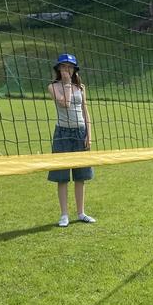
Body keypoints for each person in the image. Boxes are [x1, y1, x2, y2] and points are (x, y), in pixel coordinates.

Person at [47, 53, 96, 227]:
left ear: (75, 69)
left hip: (80, 133)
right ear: (58, 69)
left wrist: (89, 135)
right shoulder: (53, 87)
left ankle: (81, 213)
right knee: (62, 177)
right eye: (64, 66)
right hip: (62, 134)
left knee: (81, 176)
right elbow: (65, 103)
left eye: (70, 67)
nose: (67, 70)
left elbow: (85, 111)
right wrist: (67, 84)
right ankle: (64, 215)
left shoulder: (81, 88)